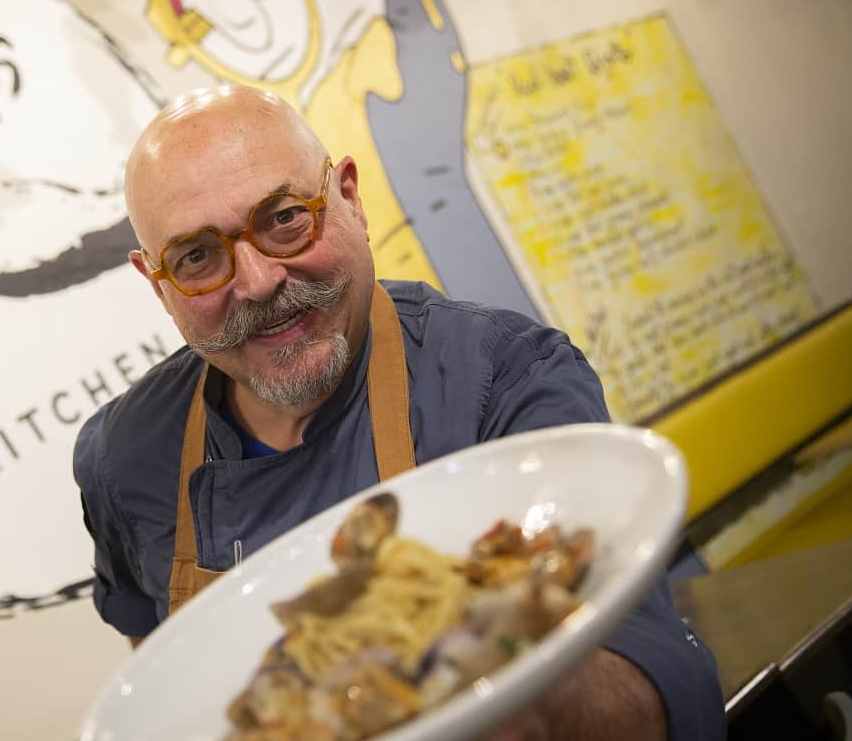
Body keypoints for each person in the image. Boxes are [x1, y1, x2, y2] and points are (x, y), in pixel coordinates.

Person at [73, 85, 725, 739]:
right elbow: (162, 679)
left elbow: (653, 680)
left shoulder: (507, 379)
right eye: (196, 257)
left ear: (349, 199)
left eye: (284, 218)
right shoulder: (121, 458)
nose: (259, 281)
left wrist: (500, 701)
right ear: (159, 285)